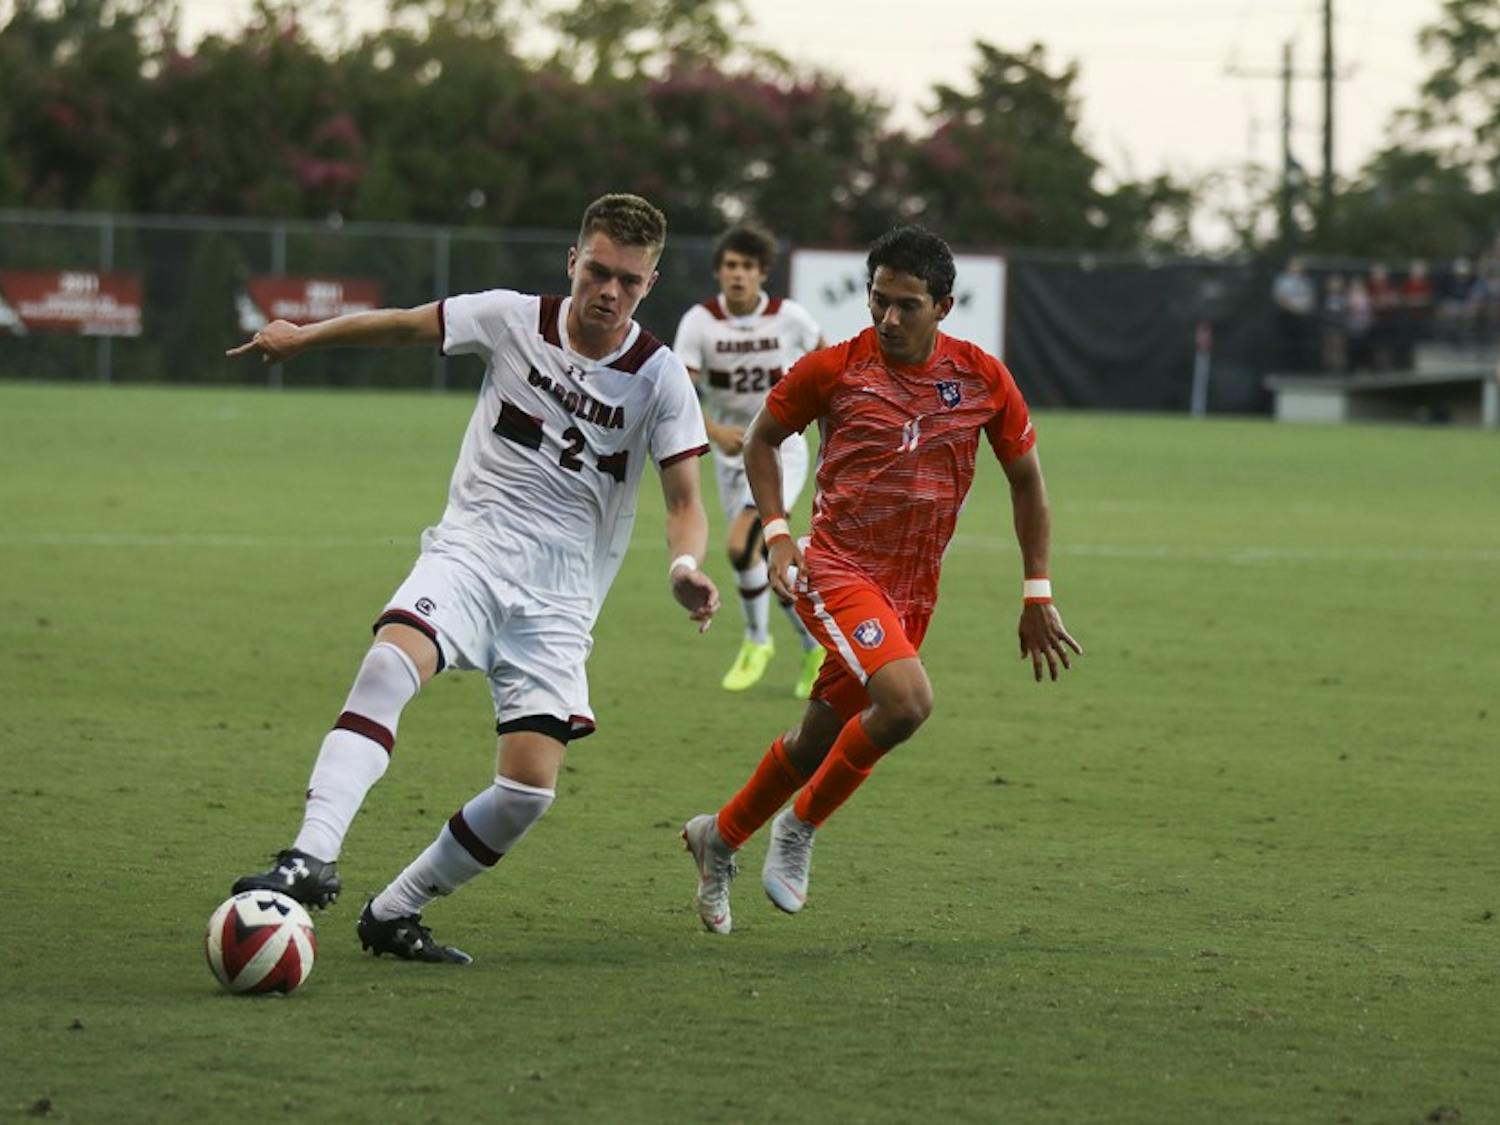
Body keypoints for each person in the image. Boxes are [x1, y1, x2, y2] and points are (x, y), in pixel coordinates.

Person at [226, 193, 720, 963]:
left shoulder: (659, 378)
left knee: (527, 792)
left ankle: (394, 911)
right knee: (391, 661)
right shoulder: (509, 317)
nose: (609, 291)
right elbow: (400, 322)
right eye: (598, 271)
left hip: (560, 595)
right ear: (572, 260)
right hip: (473, 549)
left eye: (629, 280)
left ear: (649, 283)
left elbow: (686, 501)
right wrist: (303, 337)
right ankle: (309, 853)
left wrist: (686, 565)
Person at [680, 225, 1081, 934]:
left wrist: (1037, 591)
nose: (889, 318)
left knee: (813, 741)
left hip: (912, 589)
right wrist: (777, 535)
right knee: (906, 702)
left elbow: (1028, 482)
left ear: (944, 306)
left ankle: (720, 836)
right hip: (836, 568)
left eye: (907, 304)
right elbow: (765, 440)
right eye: (878, 300)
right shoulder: (835, 368)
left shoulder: (983, 378)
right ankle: (800, 826)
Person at [672, 223, 827, 698]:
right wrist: (715, 431)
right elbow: (681, 392)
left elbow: (828, 367)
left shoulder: (790, 318)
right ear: (719, 272)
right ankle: (813, 645)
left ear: (762, 274)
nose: (738, 275)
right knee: (762, 557)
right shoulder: (699, 322)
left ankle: (757, 642)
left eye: (748, 267)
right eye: (731, 266)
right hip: (730, 450)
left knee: (742, 545)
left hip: (783, 447)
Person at [1271, 257, 1317, 372]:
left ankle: (1301, 369)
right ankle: (1285, 369)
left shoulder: (1307, 281)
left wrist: (1304, 309)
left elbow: (1312, 298)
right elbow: (1280, 298)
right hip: (1287, 317)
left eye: (1299, 265)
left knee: (1302, 343)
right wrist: (1295, 309)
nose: (1297, 268)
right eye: (1294, 265)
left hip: (1303, 318)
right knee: (1286, 343)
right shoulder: (1282, 280)